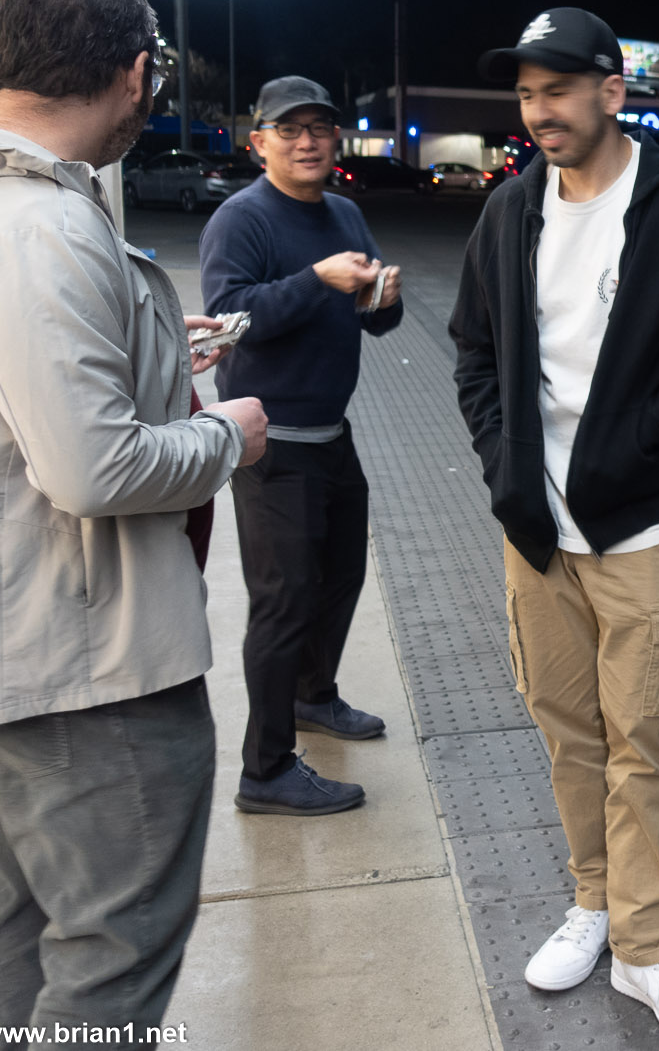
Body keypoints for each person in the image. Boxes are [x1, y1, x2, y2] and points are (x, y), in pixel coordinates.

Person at [0, 0, 266, 1039]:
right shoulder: (27, 225)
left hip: (11, 641)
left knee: (33, 918)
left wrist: (157, 355)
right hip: (82, 662)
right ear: (136, 74)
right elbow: (93, 470)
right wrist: (224, 433)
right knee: (111, 951)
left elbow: (11, 401)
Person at [450, 8, 659, 1046]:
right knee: (567, 730)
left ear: (609, 91)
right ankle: (591, 903)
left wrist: (649, 427)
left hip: (637, 528)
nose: (537, 109)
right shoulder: (508, 212)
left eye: (556, 88)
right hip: (534, 530)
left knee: (642, 741)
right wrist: (502, 457)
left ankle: (647, 951)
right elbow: (470, 350)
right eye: (526, 92)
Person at [200, 76, 404, 816]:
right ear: (259, 143)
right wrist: (317, 279)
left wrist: (383, 298)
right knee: (283, 603)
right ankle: (266, 769)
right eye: (290, 130)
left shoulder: (345, 211)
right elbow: (227, 319)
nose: (309, 140)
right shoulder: (241, 218)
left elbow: (374, 321)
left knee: (341, 577)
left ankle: (316, 695)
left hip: (332, 434)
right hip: (270, 440)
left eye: (320, 126)